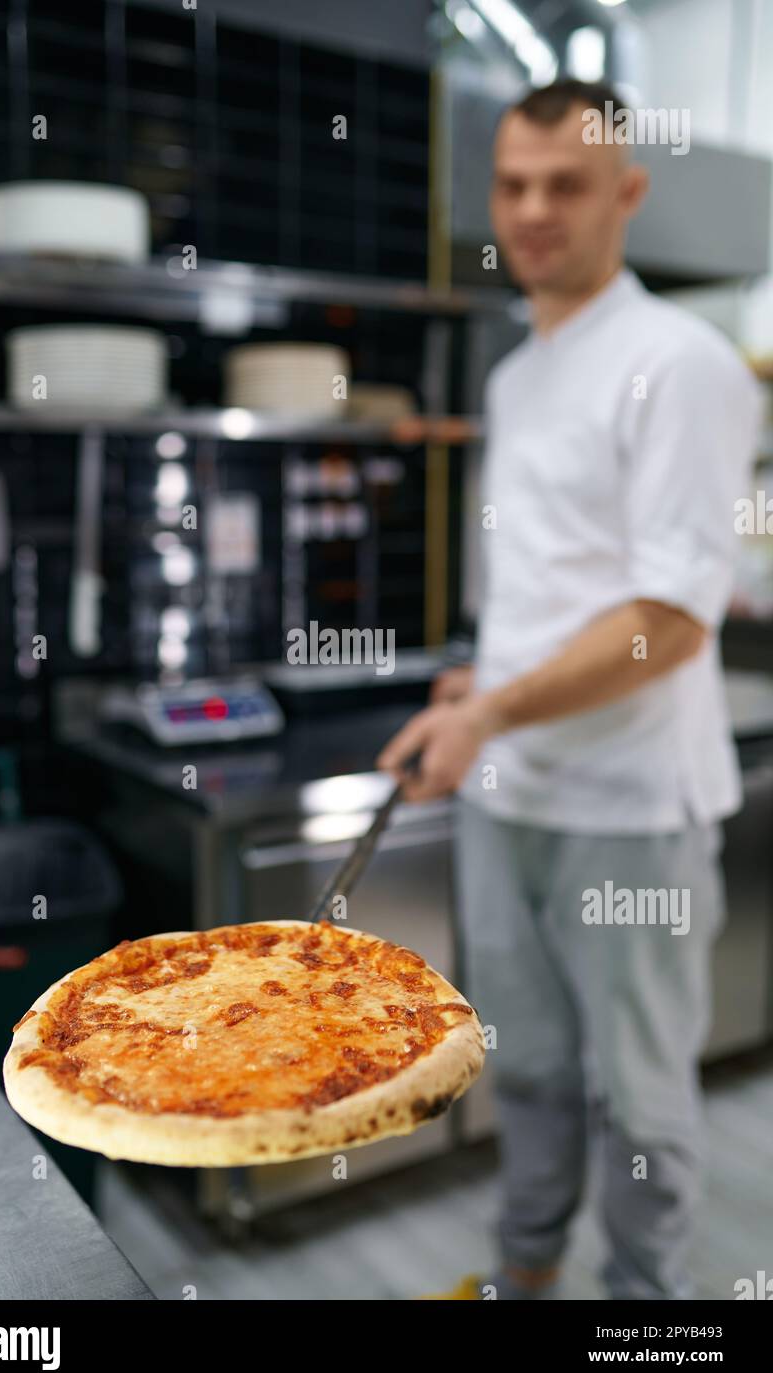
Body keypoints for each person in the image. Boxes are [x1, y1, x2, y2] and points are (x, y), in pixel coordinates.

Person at [378, 79, 764, 1301]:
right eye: (514, 183)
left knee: (640, 1100)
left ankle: (645, 1317)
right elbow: (565, 583)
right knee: (530, 1066)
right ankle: (526, 1276)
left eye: (568, 183)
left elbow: (666, 623)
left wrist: (491, 708)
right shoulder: (520, 369)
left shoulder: (683, 364)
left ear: (627, 193)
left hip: (631, 811)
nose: (534, 210)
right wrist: (481, 678)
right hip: (512, 794)